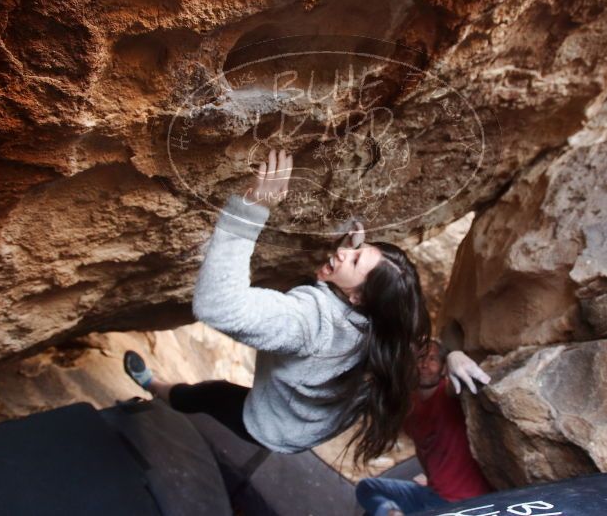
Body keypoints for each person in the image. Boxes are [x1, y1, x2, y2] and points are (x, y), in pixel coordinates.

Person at [123, 148, 431, 464]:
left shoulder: (308, 324)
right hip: (311, 426)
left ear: (358, 300)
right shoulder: (388, 326)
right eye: (359, 248)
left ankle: (154, 385)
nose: (342, 253)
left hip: (274, 428)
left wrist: (251, 208)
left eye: (354, 260)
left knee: (207, 394)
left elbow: (219, 305)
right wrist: (355, 259)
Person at [355, 339, 492, 516]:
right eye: (420, 358)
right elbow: (423, 449)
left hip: (460, 502)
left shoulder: (449, 393)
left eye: (433, 359)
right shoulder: (411, 405)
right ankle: (392, 512)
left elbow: (460, 382)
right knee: (366, 487)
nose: (424, 364)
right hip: (431, 494)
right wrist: (429, 478)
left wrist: (455, 355)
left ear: (444, 368)